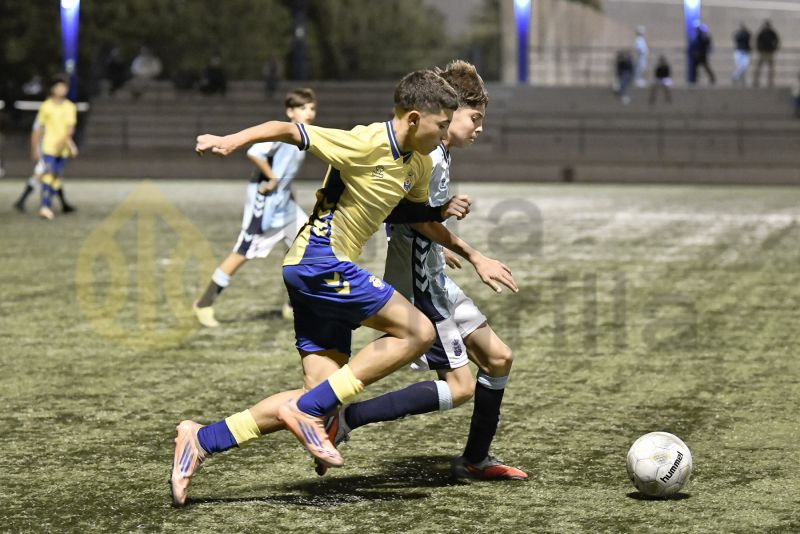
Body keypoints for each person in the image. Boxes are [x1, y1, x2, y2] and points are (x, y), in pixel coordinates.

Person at [171, 70, 505, 507]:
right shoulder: (365, 142)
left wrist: (445, 219)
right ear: (412, 118)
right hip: (317, 260)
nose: (446, 132)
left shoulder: (419, 162)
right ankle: (307, 412)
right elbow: (287, 129)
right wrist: (230, 140)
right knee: (418, 331)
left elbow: (410, 214)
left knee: (320, 399)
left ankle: (201, 439)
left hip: (319, 272)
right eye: (441, 124)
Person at [313, 60, 527, 481]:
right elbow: (405, 212)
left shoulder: (436, 155)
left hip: (434, 276)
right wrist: (472, 254)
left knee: (498, 358)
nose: (479, 128)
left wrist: (436, 241)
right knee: (462, 386)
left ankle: (475, 460)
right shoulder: (432, 157)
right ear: (451, 113)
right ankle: (346, 420)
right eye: (475, 117)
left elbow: (410, 213)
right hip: (421, 285)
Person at [193, 88, 317, 327]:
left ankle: (293, 305)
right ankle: (204, 303)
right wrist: (271, 178)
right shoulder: (283, 132)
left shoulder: (304, 134)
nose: (309, 112)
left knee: (307, 244)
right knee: (243, 251)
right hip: (265, 202)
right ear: (290, 112)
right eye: (303, 108)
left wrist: (286, 192)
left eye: (312, 108)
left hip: (284, 204)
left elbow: (286, 172)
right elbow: (254, 152)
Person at [27, 76, 78, 220]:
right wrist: (34, 148)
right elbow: (38, 129)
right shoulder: (46, 106)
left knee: (56, 178)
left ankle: (47, 205)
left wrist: (67, 144)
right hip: (48, 147)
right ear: (53, 89)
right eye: (59, 87)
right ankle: (44, 206)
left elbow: (70, 129)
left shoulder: (70, 107)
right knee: (48, 174)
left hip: (62, 149)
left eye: (64, 87)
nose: (61, 90)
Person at [754, 20, 780, 88]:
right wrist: (759, 49)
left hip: (770, 52)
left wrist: (774, 48)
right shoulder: (761, 33)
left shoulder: (772, 33)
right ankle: (756, 81)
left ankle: (770, 81)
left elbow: (777, 40)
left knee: (771, 68)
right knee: (758, 67)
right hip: (763, 52)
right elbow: (757, 41)